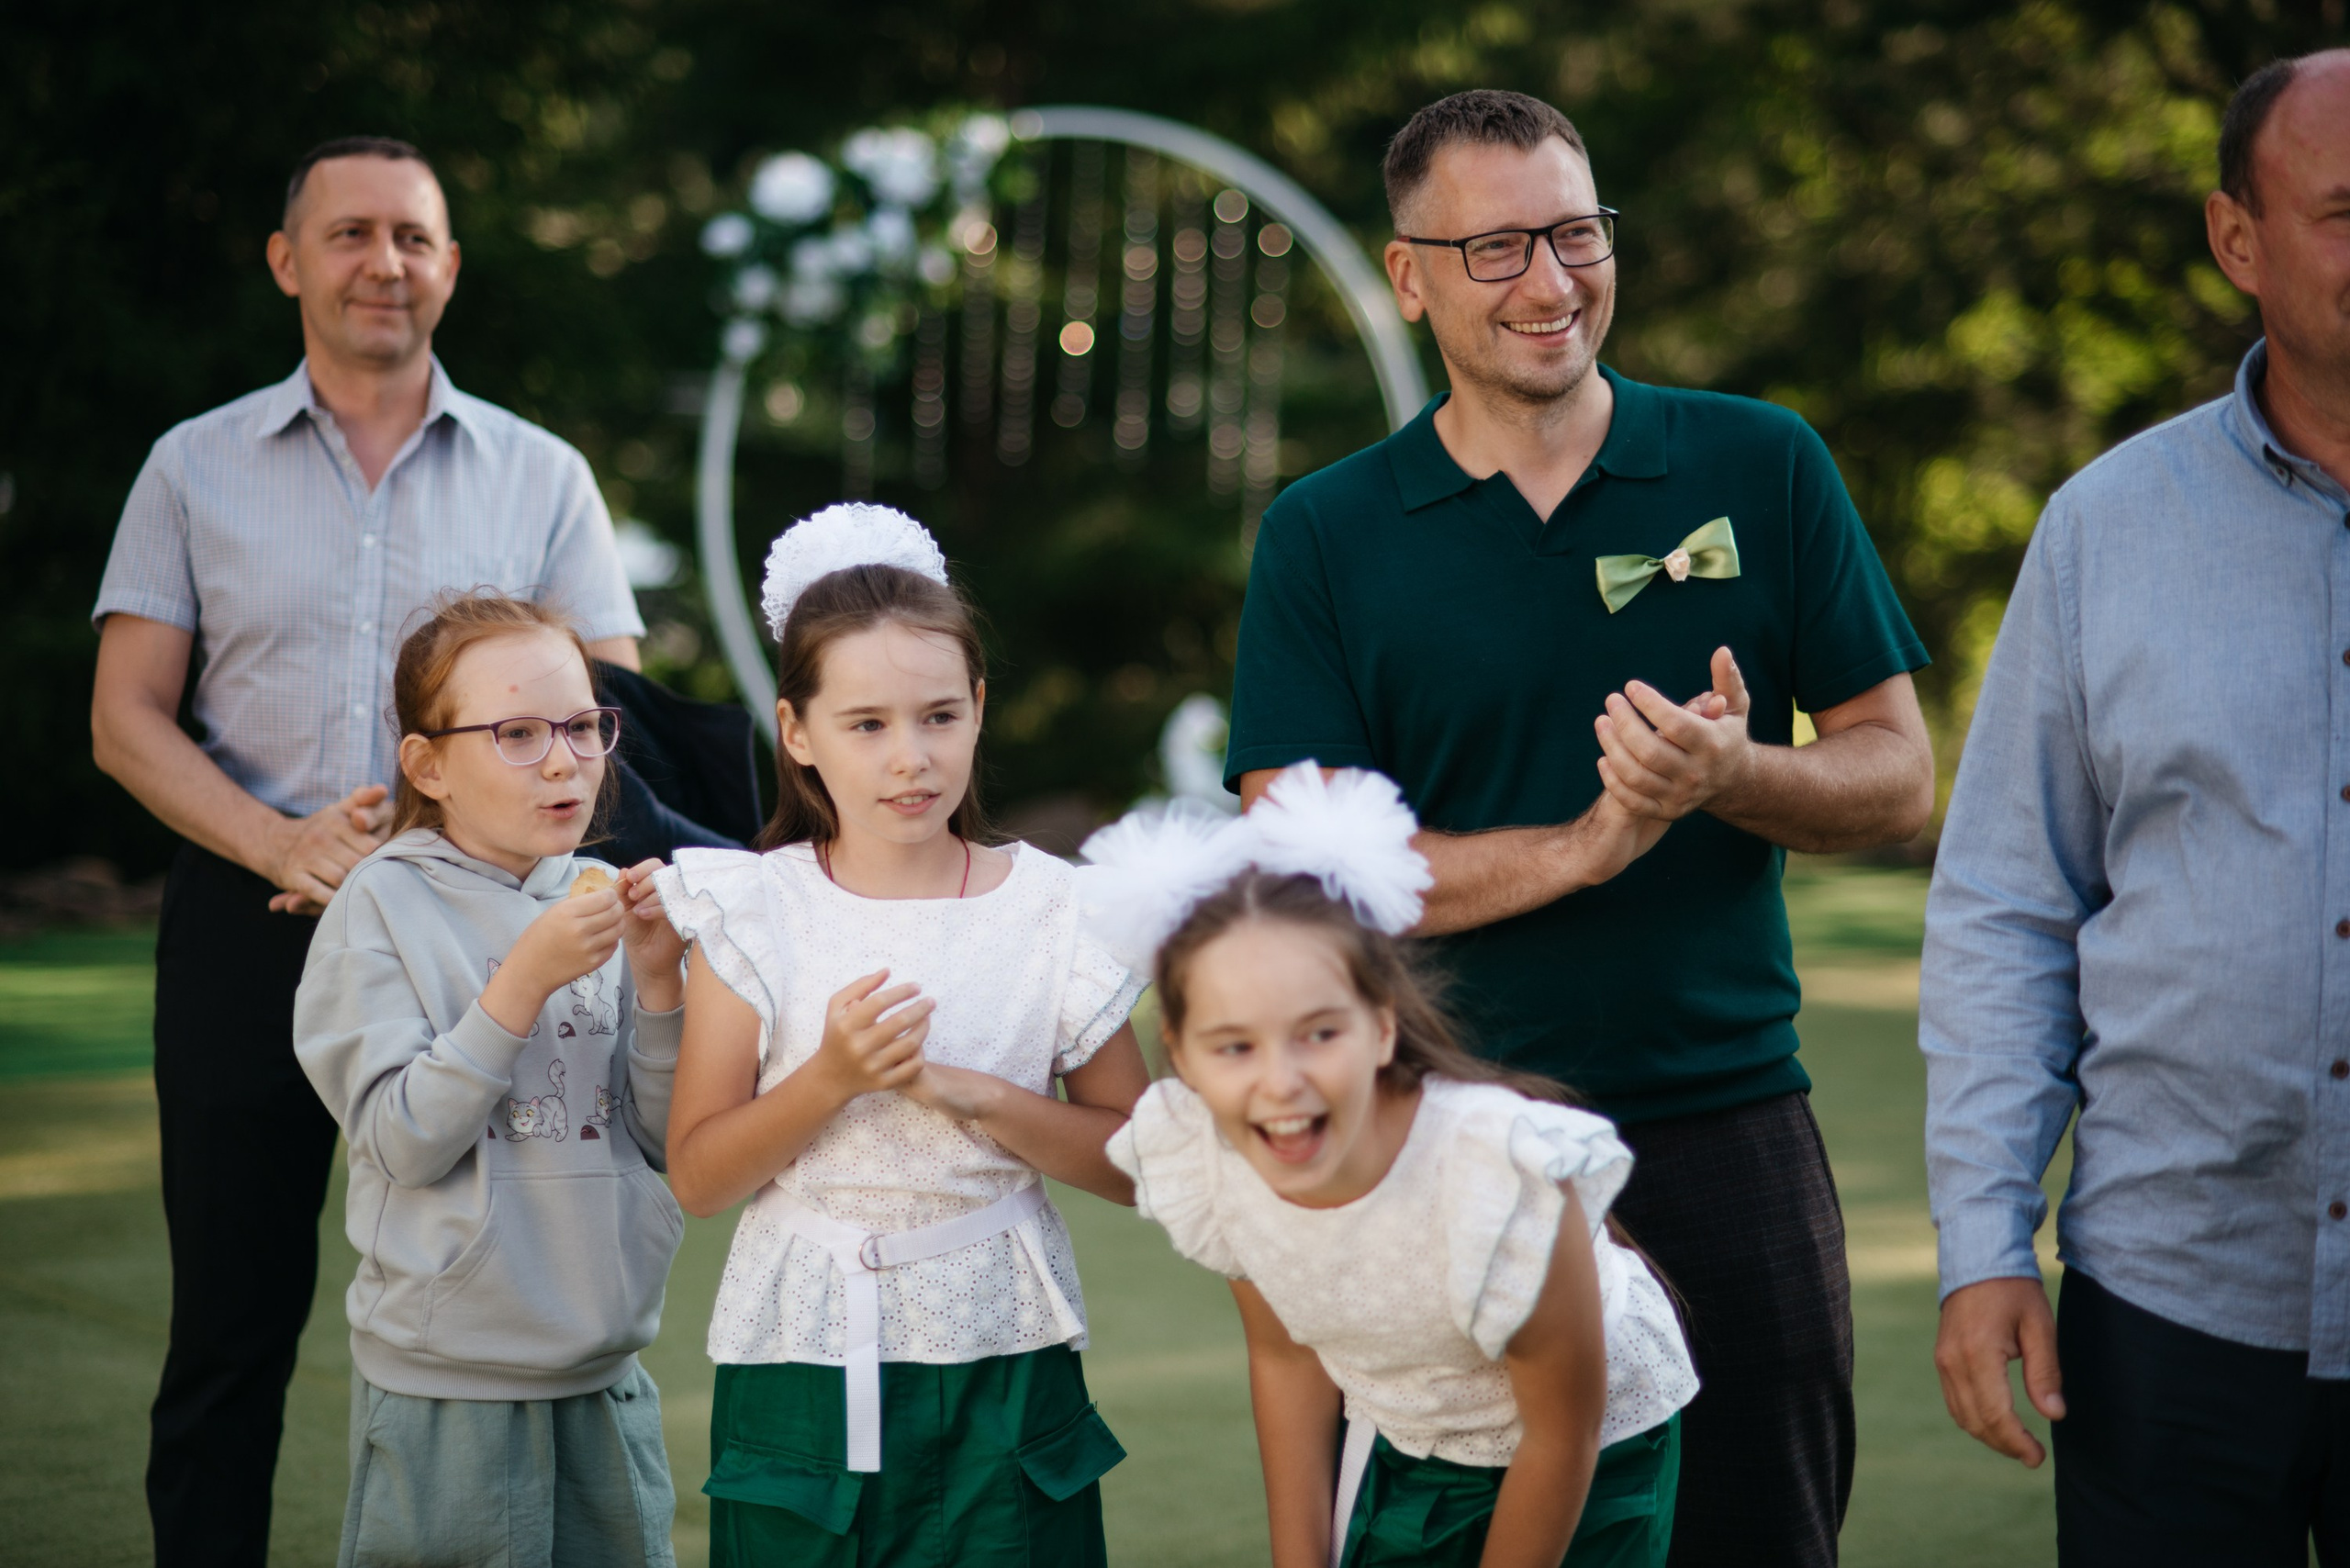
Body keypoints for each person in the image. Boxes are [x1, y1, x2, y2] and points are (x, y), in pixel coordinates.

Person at [1225, 89, 1932, 1566]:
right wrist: (1587, 844)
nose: (1551, 282)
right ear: (1409, 276)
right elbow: (1303, 876)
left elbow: (1896, 774)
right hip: (1434, 1148)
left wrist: (1729, 777)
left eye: (1575, 232)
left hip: (1729, 1122)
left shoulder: (1762, 463)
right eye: (1495, 250)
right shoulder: (1326, 533)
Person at [87, 135, 644, 1565]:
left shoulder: (544, 472)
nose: (381, 262)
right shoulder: (192, 465)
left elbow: (604, 705)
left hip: (485, 928)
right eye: (348, 234)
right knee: (229, 1322)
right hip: (245, 914)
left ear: (449, 267)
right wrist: (283, 838)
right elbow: (126, 717)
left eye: (411, 236)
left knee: (496, 1281)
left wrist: (450, 832)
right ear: (289, 262)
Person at [1921, 50, 2350, 1565]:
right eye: (2347, 211)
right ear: (2240, 239)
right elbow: (2007, 905)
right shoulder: (2105, 528)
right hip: (2169, 1313)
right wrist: (1982, 1245)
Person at [653, 503, 1153, 1567]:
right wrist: (827, 1078)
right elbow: (697, 1175)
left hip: (1003, 1355)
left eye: (937, 716)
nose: (910, 758)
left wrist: (986, 1100)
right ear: (797, 733)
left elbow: (1144, 1162)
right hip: (801, 1362)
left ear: (978, 708)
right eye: (866, 724)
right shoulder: (753, 906)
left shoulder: (1057, 908)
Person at [1089, 764, 1697, 1568]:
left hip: (1592, 1454)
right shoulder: (1213, 1158)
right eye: (1234, 1045)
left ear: (1381, 1028)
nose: (1281, 1082)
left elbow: (1563, 1433)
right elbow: (1285, 1352)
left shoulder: (1495, 1176)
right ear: (1182, 1056)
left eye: (1319, 1033)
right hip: (1414, 1432)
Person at [294, 593, 687, 1566]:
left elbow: (662, 1136)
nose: (564, 759)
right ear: (429, 764)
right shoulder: (378, 904)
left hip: (604, 1371)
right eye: (516, 732)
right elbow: (401, 1136)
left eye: (584, 726)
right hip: (447, 1381)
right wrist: (523, 978)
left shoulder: (600, 896)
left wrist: (658, 983)